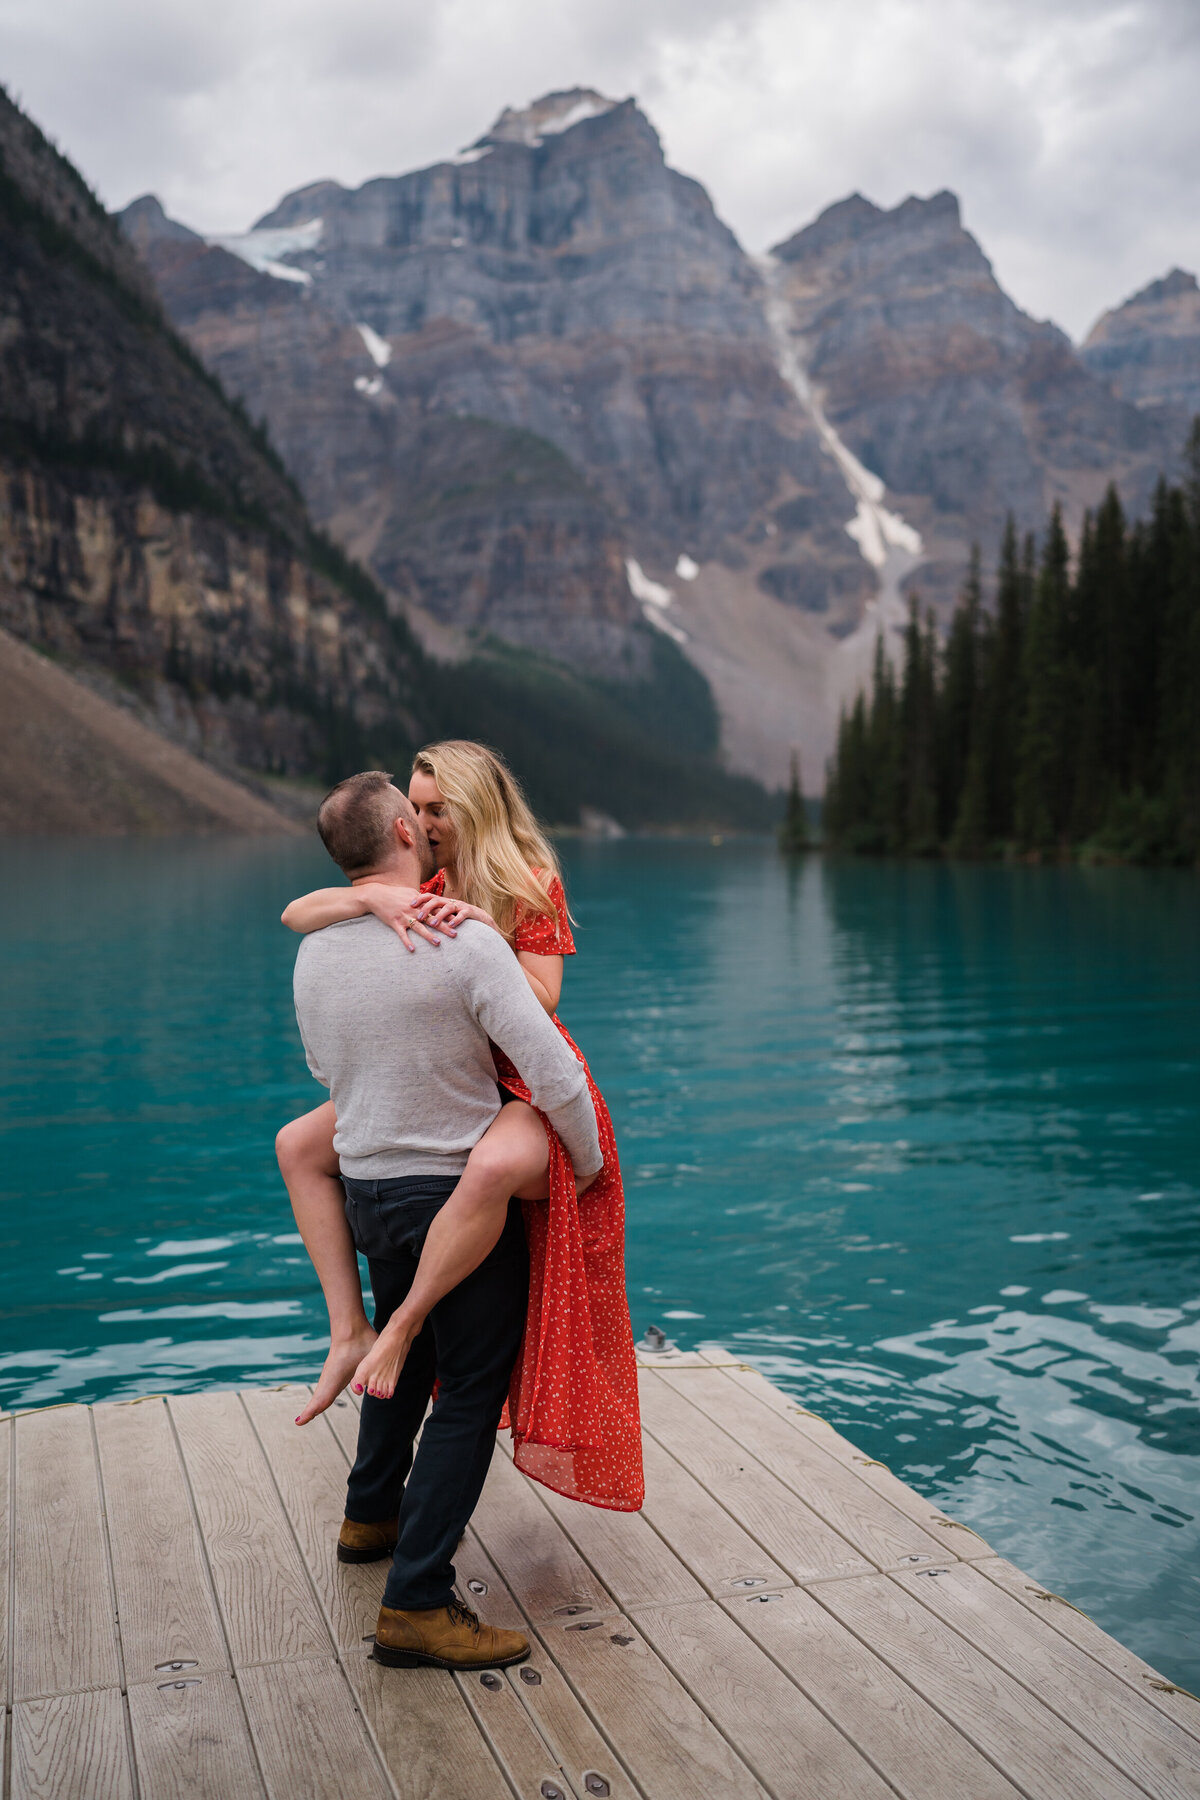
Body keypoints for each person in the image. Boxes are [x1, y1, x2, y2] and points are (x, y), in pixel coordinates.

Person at [279, 740, 643, 1514]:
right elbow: (295, 912)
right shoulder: (421, 878)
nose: (424, 819)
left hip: (515, 1078)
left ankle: (397, 1326)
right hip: (439, 1072)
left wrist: (482, 933)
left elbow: (541, 999)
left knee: (482, 1174)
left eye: (437, 807)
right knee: (302, 1144)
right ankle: (353, 1328)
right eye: (417, 807)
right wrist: (367, 900)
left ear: (474, 804)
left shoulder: (527, 881)